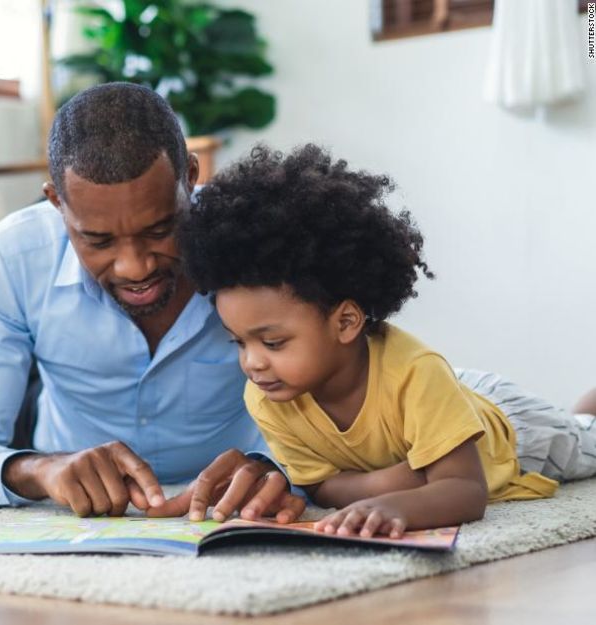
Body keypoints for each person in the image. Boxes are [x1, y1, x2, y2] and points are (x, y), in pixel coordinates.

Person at [0, 83, 305, 523]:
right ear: (56, 203)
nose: (134, 268)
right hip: (62, 456)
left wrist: (276, 466)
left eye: (160, 230)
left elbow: (345, 401)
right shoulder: (14, 257)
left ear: (191, 178)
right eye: (98, 240)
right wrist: (42, 469)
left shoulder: (260, 248)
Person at [178, 143, 596, 538]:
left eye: (272, 343)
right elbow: (322, 487)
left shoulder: (414, 372)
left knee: (586, 438)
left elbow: (466, 490)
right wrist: (396, 481)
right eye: (238, 343)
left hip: (516, 431)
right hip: (447, 402)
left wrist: (400, 505)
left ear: (345, 322)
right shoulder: (267, 396)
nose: (252, 363)